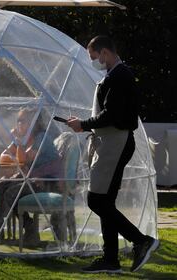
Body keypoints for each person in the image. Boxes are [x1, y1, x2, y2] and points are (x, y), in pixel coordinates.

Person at [66, 35, 159, 273]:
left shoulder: (120, 76)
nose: (93, 62)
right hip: (111, 142)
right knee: (105, 201)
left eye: (94, 57)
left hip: (115, 143)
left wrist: (83, 124)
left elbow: (112, 115)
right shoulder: (116, 76)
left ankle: (141, 241)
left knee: (96, 200)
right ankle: (110, 259)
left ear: (105, 53)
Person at [0, 109, 63, 245]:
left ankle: (30, 231)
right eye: (18, 121)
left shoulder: (41, 138)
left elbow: (25, 159)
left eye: (23, 121)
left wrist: (18, 142)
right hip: (32, 180)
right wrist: (16, 143)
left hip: (48, 182)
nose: (19, 124)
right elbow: (4, 155)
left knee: (11, 193)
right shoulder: (24, 139)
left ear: (33, 123)